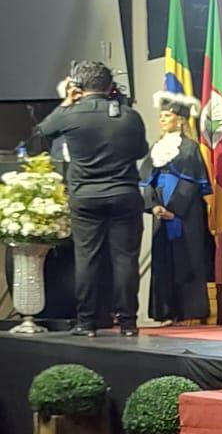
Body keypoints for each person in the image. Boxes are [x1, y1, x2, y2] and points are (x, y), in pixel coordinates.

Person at [36, 61, 149, 336]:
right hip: (124, 194)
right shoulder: (129, 116)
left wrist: (66, 101)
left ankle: (86, 322)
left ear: (77, 86)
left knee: (87, 259)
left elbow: (43, 131)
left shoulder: (71, 114)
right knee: (125, 260)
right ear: (110, 86)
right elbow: (140, 151)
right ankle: (128, 323)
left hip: (85, 197)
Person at [141, 91, 212, 325]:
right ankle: (165, 311)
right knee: (163, 259)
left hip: (185, 211)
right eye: (161, 115)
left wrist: (174, 209)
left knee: (186, 257)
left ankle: (189, 311)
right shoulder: (156, 147)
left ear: (180, 120)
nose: (162, 119)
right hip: (160, 208)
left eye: (167, 115)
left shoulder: (190, 147)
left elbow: (191, 181)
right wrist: (154, 206)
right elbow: (145, 181)